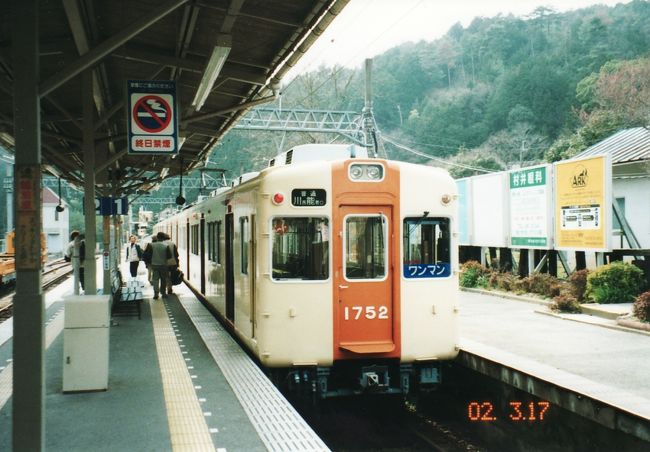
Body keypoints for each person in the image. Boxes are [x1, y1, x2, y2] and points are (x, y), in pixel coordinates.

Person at [150, 231, 171, 299]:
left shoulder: (151, 245)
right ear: (163, 238)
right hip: (163, 265)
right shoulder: (166, 245)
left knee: (155, 279)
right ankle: (163, 293)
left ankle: (156, 294)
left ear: (157, 237)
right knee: (163, 279)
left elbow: (146, 255)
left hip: (154, 265)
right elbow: (169, 256)